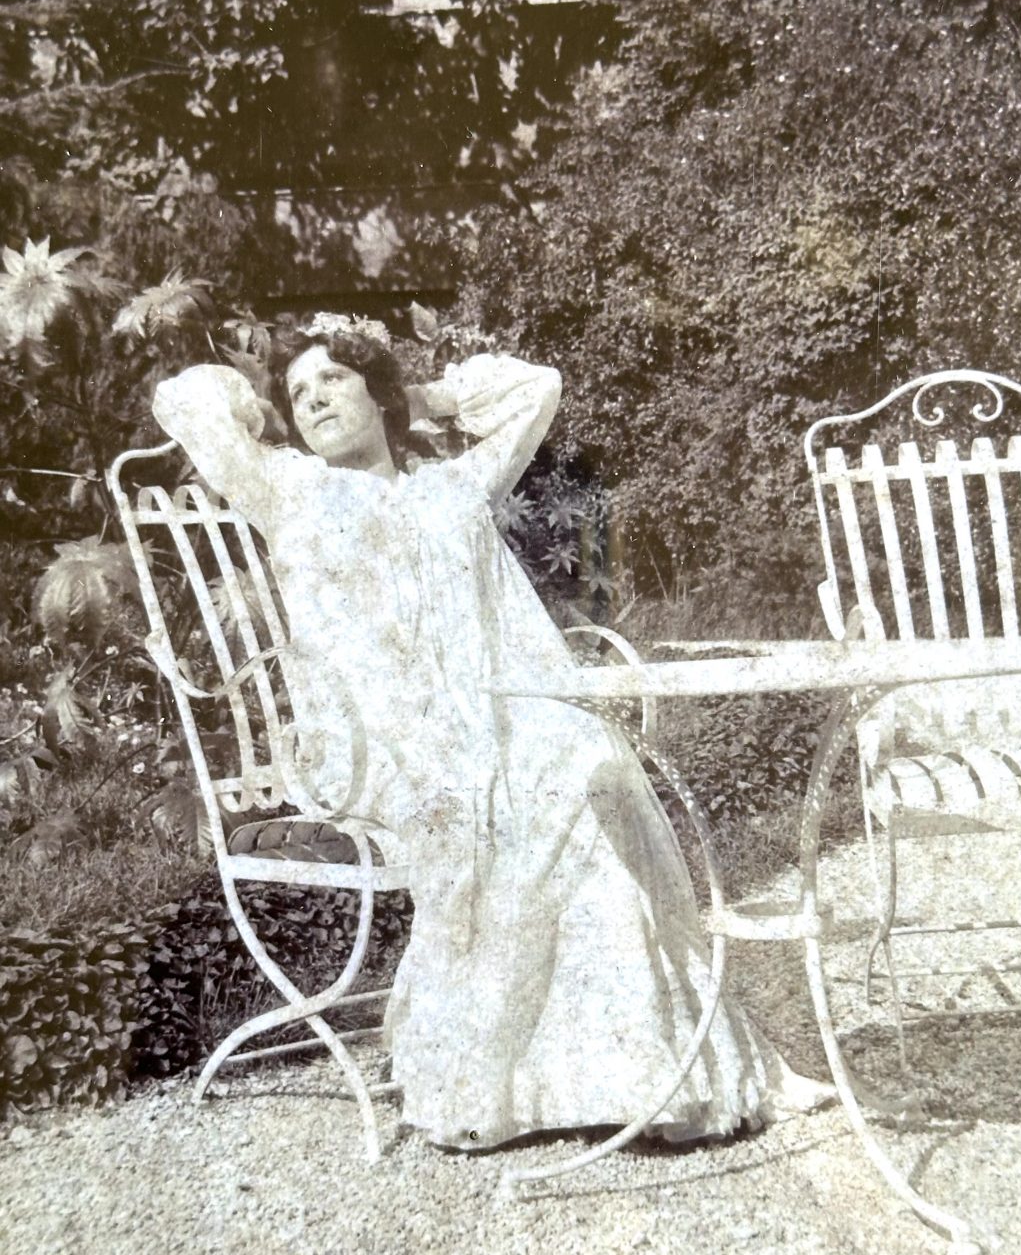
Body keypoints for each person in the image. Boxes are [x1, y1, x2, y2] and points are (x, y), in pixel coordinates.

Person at [152, 315, 822, 1150]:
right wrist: (257, 405)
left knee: (580, 767)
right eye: (299, 392)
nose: (314, 398)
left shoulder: (453, 488)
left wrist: (422, 394)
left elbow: (537, 388)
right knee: (532, 792)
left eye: (335, 379)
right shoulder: (287, 486)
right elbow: (186, 399)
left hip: (483, 730)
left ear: (377, 395)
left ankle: (626, 1070)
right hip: (372, 751)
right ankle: (493, 1080)